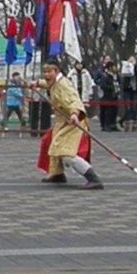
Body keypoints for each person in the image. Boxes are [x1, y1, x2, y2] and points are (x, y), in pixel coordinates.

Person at [32, 59, 103, 189]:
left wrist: (74, 113)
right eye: (45, 72)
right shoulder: (55, 82)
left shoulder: (64, 85)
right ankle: (57, 174)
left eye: (49, 72)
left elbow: (74, 100)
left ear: (56, 71)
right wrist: (36, 83)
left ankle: (93, 178)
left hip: (73, 122)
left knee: (66, 153)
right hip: (63, 121)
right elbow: (48, 85)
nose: (46, 75)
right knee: (49, 142)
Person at [97, 60, 122, 132]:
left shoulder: (116, 75)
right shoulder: (105, 75)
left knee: (114, 111)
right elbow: (103, 85)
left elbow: (119, 83)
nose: (115, 68)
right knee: (107, 111)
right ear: (110, 67)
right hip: (107, 96)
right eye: (114, 66)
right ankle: (105, 125)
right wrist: (112, 88)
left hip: (115, 96)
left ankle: (113, 124)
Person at [120, 56, 137, 131]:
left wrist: (134, 67)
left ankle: (134, 122)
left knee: (134, 107)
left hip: (135, 90)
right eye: (130, 60)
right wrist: (128, 67)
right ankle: (127, 122)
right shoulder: (125, 68)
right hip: (127, 90)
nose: (131, 62)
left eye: (133, 60)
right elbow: (123, 76)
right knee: (128, 107)